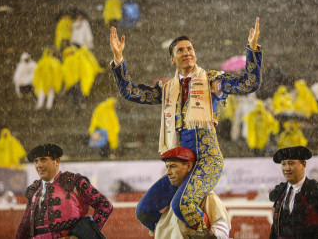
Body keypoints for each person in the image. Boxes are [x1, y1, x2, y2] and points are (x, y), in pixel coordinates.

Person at [110, 17, 262, 232]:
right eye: (180, 50)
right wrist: (118, 59)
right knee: (144, 211)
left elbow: (249, 83)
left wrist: (253, 49)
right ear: (172, 59)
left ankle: (209, 236)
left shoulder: (212, 81)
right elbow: (131, 92)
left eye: (189, 48)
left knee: (183, 205)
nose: (186, 52)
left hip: (207, 160)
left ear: (195, 54)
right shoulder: (166, 88)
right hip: (180, 165)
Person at [16, 143, 113, 238]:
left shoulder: (73, 181)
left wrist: (84, 235)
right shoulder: (34, 189)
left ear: (57, 161)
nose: (39, 165)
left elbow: (104, 204)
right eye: (36, 161)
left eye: (43, 160)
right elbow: (25, 226)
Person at [151, 146, 231, 238]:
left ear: (189, 166)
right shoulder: (172, 198)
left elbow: (223, 234)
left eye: (173, 166)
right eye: (167, 167)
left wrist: (191, 233)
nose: (168, 172)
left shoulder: (208, 197)